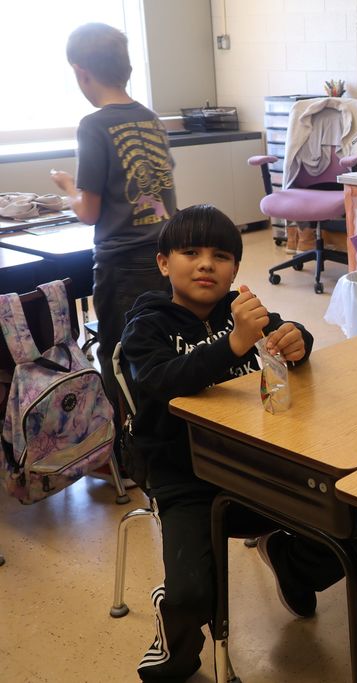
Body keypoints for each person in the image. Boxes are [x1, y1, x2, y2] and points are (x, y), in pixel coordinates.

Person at [121, 205, 343, 682]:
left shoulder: (239, 310)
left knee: (344, 535)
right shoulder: (147, 325)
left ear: (236, 269)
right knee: (191, 593)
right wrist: (234, 344)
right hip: (183, 477)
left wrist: (296, 339)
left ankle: (289, 562)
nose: (205, 264)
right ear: (164, 263)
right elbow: (162, 380)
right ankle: (173, 648)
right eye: (190, 252)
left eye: (220, 256)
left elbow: (291, 337)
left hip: (258, 466)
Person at [51, 22, 176, 430]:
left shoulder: (94, 126)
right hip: (165, 255)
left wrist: (67, 186)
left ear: (80, 72)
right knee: (160, 340)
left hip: (122, 264)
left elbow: (88, 211)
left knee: (119, 352)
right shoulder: (152, 119)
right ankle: (165, 423)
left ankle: (124, 442)